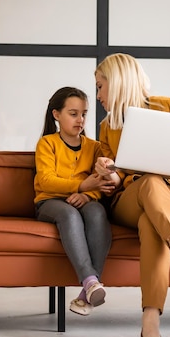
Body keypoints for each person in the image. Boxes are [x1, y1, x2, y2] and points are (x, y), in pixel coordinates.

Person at [93, 53, 170, 337]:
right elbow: (117, 180)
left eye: (100, 86)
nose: (97, 94)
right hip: (130, 201)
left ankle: (150, 322)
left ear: (118, 82)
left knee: (152, 224)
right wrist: (107, 169)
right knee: (149, 182)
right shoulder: (106, 128)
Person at [34, 86, 115, 316]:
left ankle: (88, 289)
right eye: (73, 113)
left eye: (84, 114)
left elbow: (103, 184)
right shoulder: (47, 144)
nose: (80, 119)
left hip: (83, 201)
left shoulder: (95, 147)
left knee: (97, 212)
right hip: (50, 202)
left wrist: (86, 194)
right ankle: (90, 280)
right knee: (69, 214)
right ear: (56, 115)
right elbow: (47, 181)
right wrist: (81, 185)